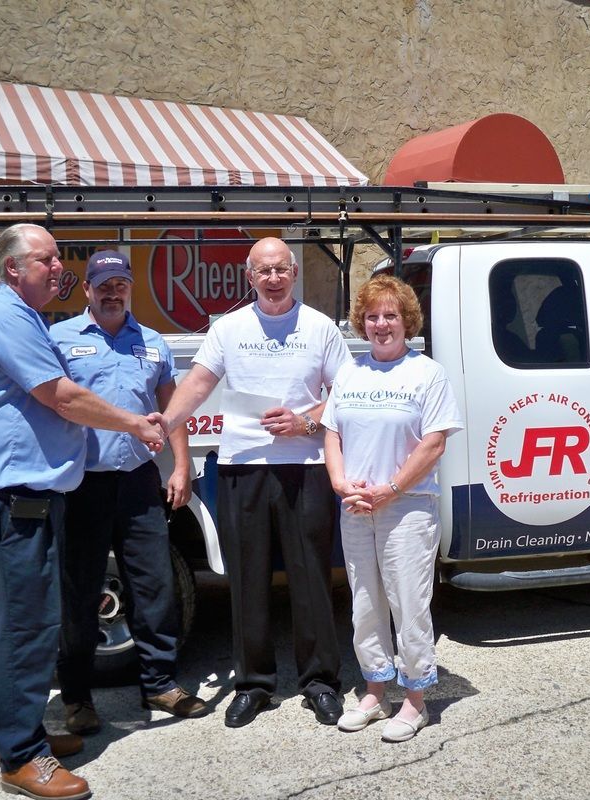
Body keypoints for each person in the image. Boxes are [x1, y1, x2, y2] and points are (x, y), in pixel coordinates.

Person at [0, 224, 164, 800]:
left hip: (1, 497)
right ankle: (22, 757)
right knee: (23, 627)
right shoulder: (10, 317)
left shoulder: (14, 316)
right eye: (46, 259)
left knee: (2, 626)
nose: (57, 268)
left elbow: (4, 403)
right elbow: (61, 396)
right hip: (13, 504)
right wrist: (135, 422)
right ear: (14, 268)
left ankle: (8, 735)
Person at [162, 236, 350, 728]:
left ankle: (320, 683)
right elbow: (198, 383)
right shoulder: (229, 329)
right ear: (250, 278)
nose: (272, 278)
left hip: (305, 468)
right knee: (246, 580)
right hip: (241, 467)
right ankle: (253, 684)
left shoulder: (320, 327)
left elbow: (346, 393)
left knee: (311, 578)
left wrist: (306, 422)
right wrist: (161, 424)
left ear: (293, 273)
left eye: (280, 270)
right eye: (262, 271)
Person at [48, 250, 206, 736]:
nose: (112, 292)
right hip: (82, 483)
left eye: (120, 284)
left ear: (129, 288)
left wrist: (180, 466)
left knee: (154, 585)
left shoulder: (153, 343)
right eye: (103, 284)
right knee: (79, 593)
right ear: (87, 290)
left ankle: (159, 682)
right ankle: (76, 698)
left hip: (138, 481)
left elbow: (171, 408)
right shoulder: (59, 340)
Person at [321, 275, 463, 742]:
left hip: (408, 506)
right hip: (357, 505)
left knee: (408, 603)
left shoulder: (427, 373)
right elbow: (332, 434)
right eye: (372, 316)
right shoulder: (350, 373)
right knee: (364, 600)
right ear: (362, 323)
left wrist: (391, 488)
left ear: (407, 321)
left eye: (390, 315)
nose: (381, 324)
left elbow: (434, 442)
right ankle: (374, 689)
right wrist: (341, 484)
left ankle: (416, 699)